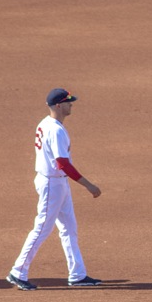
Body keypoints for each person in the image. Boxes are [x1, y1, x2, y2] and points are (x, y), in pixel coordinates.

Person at [7, 88, 103, 290]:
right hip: (52, 183)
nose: (71, 105)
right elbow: (63, 164)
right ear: (58, 105)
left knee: (69, 228)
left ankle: (77, 274)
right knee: (42, 227)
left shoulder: (46, 123)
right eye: (68, 102)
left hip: (56, 182)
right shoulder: (56, 130)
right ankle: (18, 271)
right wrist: (88, 185)